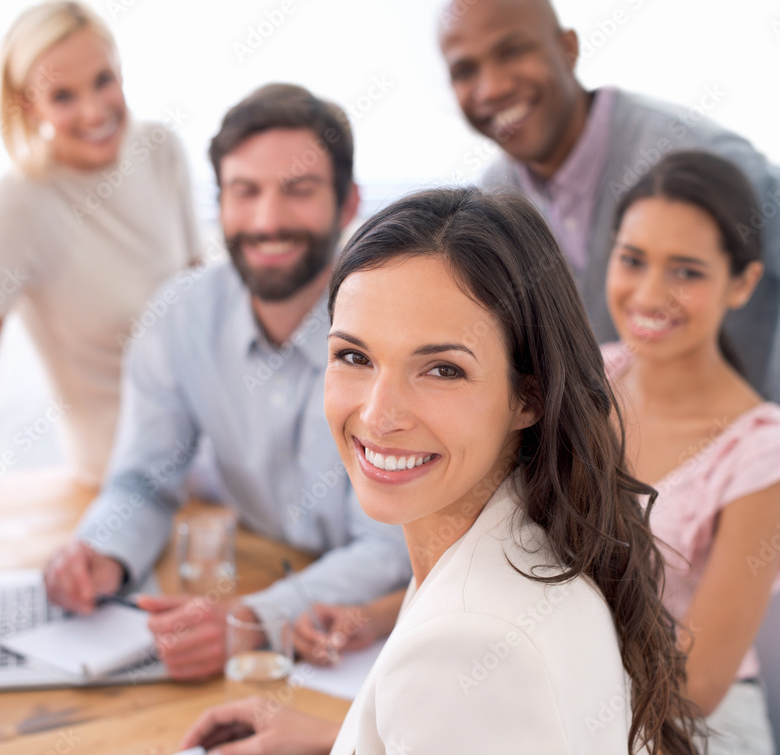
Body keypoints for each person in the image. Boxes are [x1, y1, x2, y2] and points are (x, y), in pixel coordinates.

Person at [181, 187, 701, 754]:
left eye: (442, 370)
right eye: (354, 356)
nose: (378, 416)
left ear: (529, 397)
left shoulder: (467, 643)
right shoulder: (521, 543)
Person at [438, 0, 780, 559]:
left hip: (760, 486)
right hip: (632, 496)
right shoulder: (497, 201)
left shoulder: (694, 160)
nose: (490, 87)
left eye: (513, 50)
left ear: (568, 48)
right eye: (464, 70)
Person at [43, 83, 411, 681]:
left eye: (298, 191)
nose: (268, 220)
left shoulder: (391, 333)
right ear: (221, 205)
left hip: (362, 636)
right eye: (246, 192)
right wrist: (101, 551)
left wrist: (252, 619)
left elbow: (390, 548)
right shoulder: (179, 316)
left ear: (348, 206)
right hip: (260, 570)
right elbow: (143, 480)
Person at [0, 1, 201, 506]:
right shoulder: (16, 204)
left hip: (209, 465)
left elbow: (205, 313)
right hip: (114, 487)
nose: (94, 111)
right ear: (28, 105)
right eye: (63, 95)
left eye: (103, 80)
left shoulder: (161, 150)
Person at [603, 151, 780, 752]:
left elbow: (695, 689)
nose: (650, 294)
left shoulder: (763, 456)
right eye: (633, 260)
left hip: (680, 725)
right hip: (555, 688)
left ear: (743, 283)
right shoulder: (585, 381)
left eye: (687, 272)